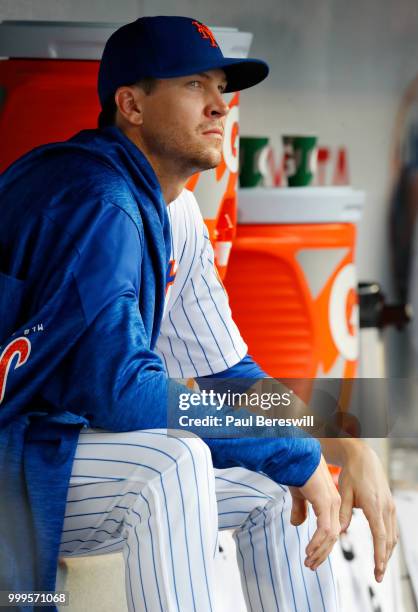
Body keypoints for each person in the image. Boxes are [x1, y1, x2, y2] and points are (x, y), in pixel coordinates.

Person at [0, 15, 395, 612]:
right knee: (176, 458)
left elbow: (233, 376)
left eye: (221, 88)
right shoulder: (97, 199)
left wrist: (334, 442)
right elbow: (124, 394)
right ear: (131, 105)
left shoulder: (172, 209)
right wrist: (290, 449)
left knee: (268, 482)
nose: (220, 105)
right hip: (18, 454)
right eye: (193, 85)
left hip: (52, 452)